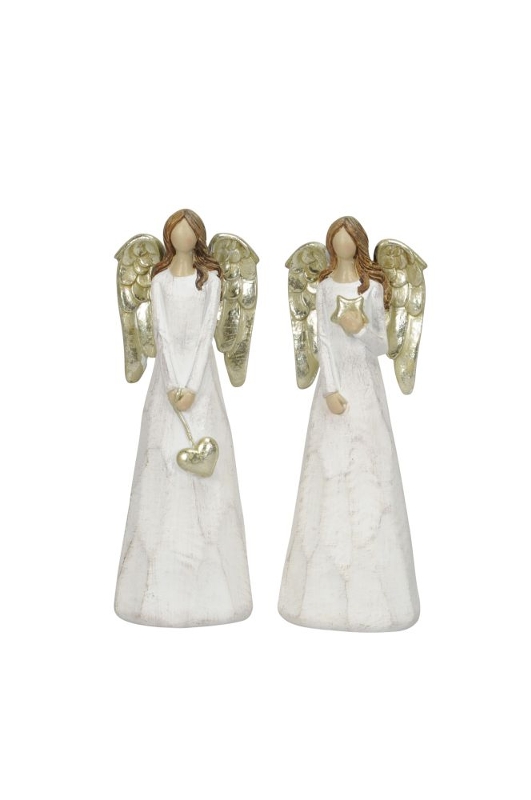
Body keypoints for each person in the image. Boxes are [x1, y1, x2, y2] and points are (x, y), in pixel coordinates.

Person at [278, 217, 420, 632]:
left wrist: (360, 330)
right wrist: (329, 388)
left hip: (365, 385)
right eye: (335, 242)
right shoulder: (324, 288)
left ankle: (375, 580)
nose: (342, 247)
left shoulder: (370, 288)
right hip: (335, 385)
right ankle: (320, 579)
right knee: (329, 470)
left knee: (367, 471)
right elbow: (322, 339)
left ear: (357, 244)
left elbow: (383, 344)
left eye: (348, 242)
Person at [115, 210, 253, 627]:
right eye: (176, 231)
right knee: (163, 460)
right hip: (167, 379)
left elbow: (205, 332)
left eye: (189, 231)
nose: (182, 237)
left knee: (206, 481)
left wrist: (191, 384)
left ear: (198, 237)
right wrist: (172, 381)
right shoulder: (158, 280)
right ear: (168, 236)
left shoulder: (210, 282)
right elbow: (161, 332)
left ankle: (215, 581)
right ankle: (154, 578)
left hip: (201, 378)